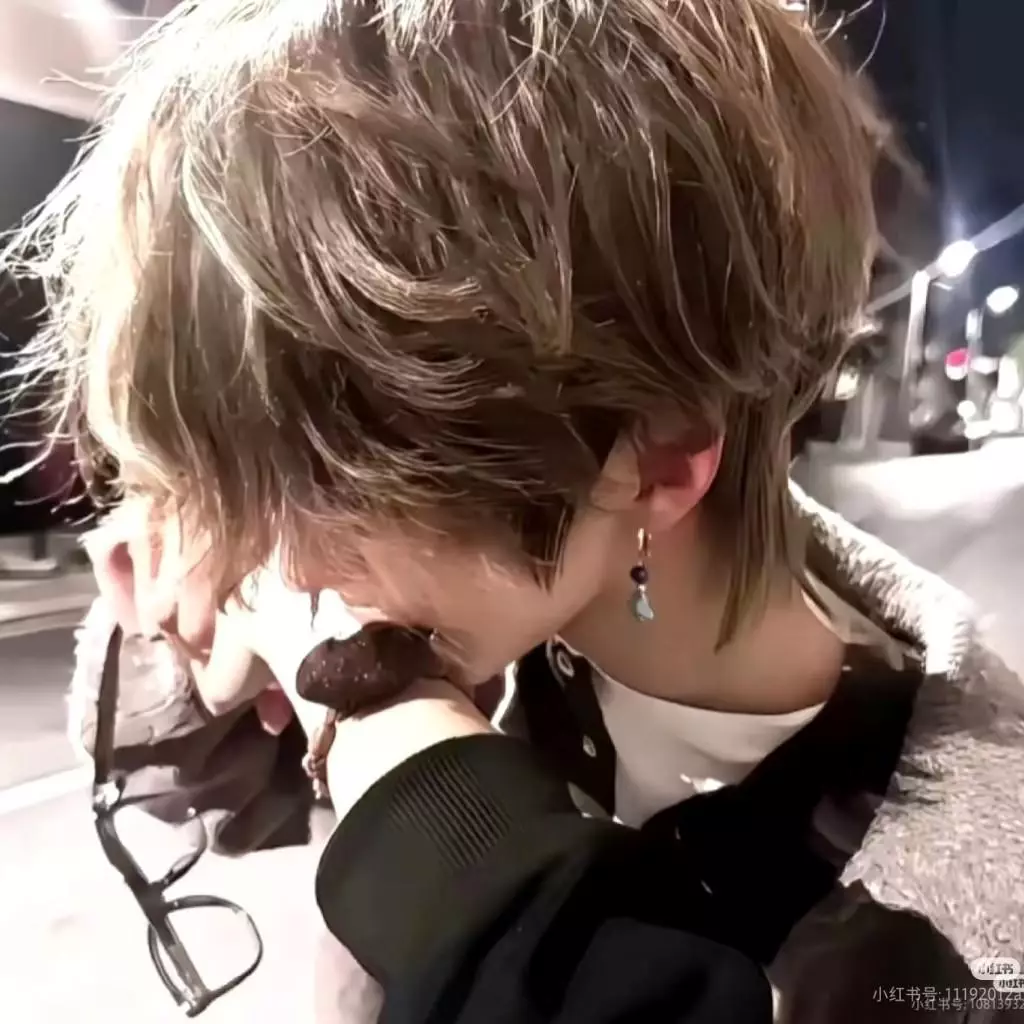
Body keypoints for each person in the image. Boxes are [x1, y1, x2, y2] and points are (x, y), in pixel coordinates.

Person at [8, 0, 1024, 1020]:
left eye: (331, 469)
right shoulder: (507, 617)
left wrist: (399, 753)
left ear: (658, 459)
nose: (281, 564)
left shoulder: (982, 912)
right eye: (250, 466)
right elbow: (183, 786)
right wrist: (196, 631)